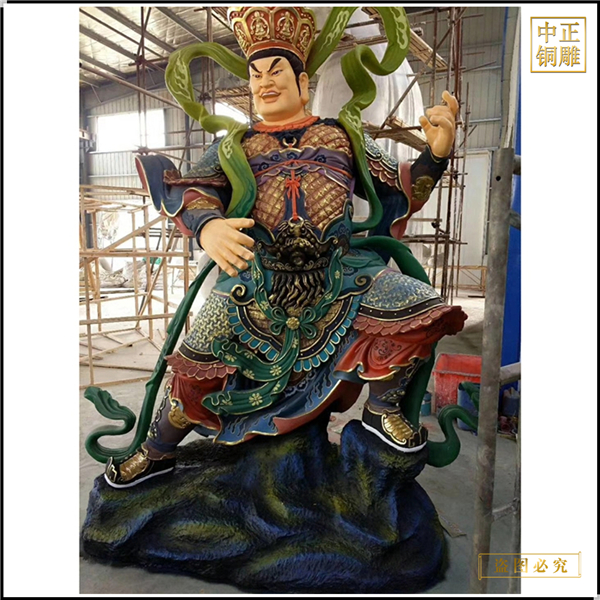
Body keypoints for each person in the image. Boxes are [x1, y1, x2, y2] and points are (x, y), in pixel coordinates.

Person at [105, 6, 467, 488]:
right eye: (255, 75)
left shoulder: (342, 135)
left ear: (302, 81)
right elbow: (191, 190)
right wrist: (208, 227)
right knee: (195, 362)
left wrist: (436, 155)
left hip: (340, 273)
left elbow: (402, 188)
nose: (263, 83)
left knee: (420, 308)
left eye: (275, 71)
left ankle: (383, 410)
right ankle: (156, 451)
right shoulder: (235, 144)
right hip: (256, 279)